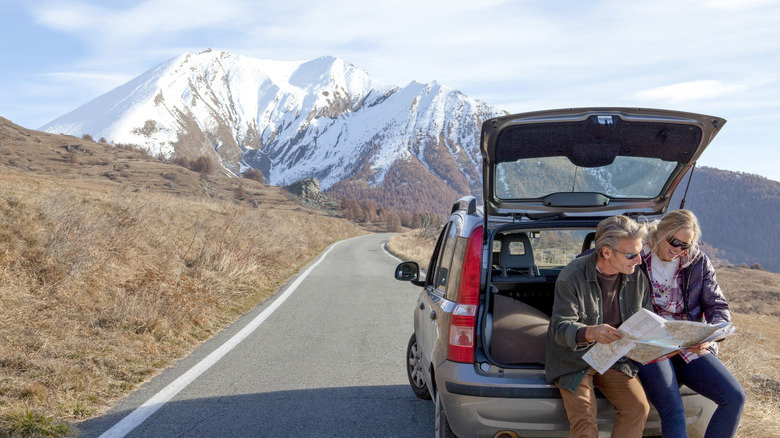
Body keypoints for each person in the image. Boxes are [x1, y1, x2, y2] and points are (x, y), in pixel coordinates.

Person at [636, 209, 745, 438]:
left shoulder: (697, 261)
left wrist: (710, 336)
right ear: (661, 232)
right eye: (674, 242)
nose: (678, 250)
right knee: (674, 410)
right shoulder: (637, 256)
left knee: (734, 397)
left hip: (687, 342)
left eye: (685, 245)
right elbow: (602, 260)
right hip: (650, 341)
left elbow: (717, 305)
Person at [546, 215, 651, 438]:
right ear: (606, 252)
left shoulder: (637, 278)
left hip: (613, 356)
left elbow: (646, 317)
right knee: (585, 422)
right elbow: (559, 329)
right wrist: (591, 332)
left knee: (638, 408)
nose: (639, 260)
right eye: (631, 254)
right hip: (574, 359)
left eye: (640, 252)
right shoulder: (572, 276)